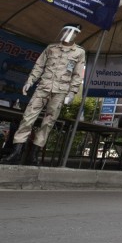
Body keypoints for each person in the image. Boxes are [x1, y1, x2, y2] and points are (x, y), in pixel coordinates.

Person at [1, 24, 85, 166]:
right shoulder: (51, 48)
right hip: (43, 87)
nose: (68, 34)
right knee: (28, 118)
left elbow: (77, 74)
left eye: (72, 32)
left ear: (76, 34)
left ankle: (33, 154)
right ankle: (16, 152)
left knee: (48, 122)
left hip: (60, 91)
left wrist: (72, 92)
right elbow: (39, 65)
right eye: (66, 31)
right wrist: (30, 81)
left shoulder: (79, 52)